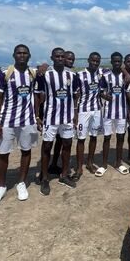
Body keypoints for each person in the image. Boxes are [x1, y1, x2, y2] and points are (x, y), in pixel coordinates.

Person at [0, 44, 38, 206]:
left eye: (25, 53)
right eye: (19, 53)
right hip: (7, 121)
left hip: (27, 121)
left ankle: (21, 183)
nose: (22, 55)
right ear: (14, 55)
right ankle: (1, 186)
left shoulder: (33, 73)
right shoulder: (5, 72)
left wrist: (37, 116)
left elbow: (38, 94)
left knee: (26, 151)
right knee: (3, 153)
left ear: (29, 56)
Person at [35, 47, 79, 196]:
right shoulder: (45, 75)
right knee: (47, 146)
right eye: (57, 57)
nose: (60, 59)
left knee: (67, 144)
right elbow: (37, 96)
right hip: (50, 117)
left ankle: (64, 175)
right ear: (52, 58)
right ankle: (45, 177)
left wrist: (74, 114)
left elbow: (74, 96)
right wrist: (37, 116)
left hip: (66, 117)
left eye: (62, 56)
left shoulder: (72, 76)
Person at [99, 52, 130, 176]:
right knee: (107, 137)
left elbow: (128, 92)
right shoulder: (106, 76)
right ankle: (104, 164)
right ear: (111, 62)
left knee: (120, 137)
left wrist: (129, 112)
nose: (117, 63)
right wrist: (106, 97)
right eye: (114, 61)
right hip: (108, 112)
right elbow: (100, 92)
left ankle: (118, 163)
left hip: (122, 112)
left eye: (119, 61)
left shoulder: (125, 76)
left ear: (121, 62)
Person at [74, 52, 103, 179]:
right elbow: (75, 95)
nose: (95, 63)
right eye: (93, 61)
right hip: (83, 111)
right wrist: (75, 112)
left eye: (97, 61)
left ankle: (90, 163)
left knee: (94, 136)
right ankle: (79, 166)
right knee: (81, 139)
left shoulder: (101, 73)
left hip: (96, 110)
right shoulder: (79, 75)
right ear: (88, 60)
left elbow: (119, 68)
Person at [49, 50, 76, 175]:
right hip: (51, 113)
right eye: (68, 59)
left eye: (72, 60)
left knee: (61, 140)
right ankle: (49, 168)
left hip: (65, 115)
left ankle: (55, 164)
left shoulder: (71, 74)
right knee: (50, 142)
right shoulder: (49, 71)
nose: (70, 61)